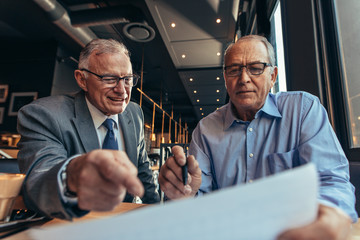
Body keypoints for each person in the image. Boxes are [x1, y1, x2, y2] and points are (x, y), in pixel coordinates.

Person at [159, 35, 357, 239]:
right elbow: (199, 199)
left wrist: (329, 215)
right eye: (234, 70)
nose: (243, 78)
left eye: (255, 68)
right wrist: (184, 191)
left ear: (273, 76)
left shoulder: (303, 111)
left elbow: (331, 179)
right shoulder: (206, 129)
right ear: (225, 78)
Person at [17, 39, 160, 220]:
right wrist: (72, 176)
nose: (122, 91)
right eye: (109, 79)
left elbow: (142, 171)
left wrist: (158, 215)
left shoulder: (134, 112)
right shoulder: (43, 115)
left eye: (128, 79)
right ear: (82, 79)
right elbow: (37, 182)